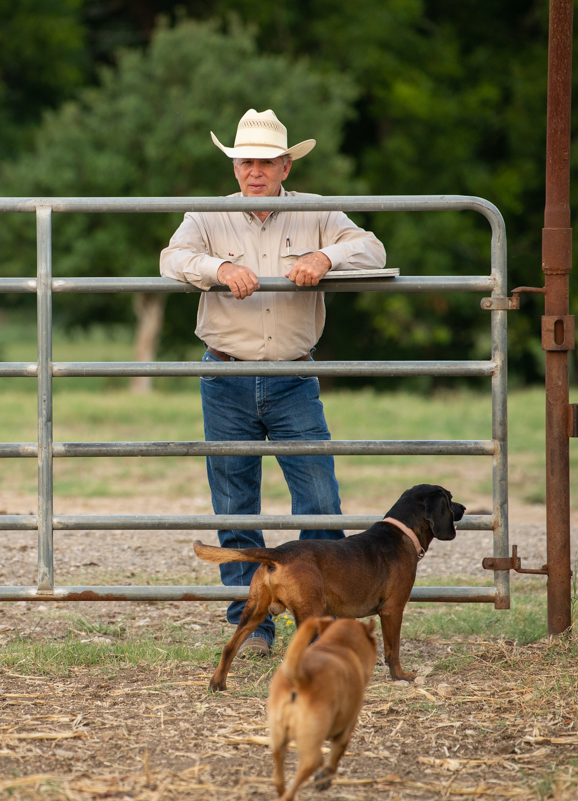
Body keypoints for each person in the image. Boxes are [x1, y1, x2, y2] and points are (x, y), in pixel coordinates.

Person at [160, 109, 387, 656]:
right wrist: (218, 269)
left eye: (264, 161)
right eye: (244, 162)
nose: (253, 171)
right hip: (226, 372)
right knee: (236, 505)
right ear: (234, 166)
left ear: (286, 165)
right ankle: (253, 625)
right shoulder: (207, 216)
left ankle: (320, 622)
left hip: (293, 374)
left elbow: (374, 249)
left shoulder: (317, 214)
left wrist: (325, 256)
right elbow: (172, 258)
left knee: (319, 501)